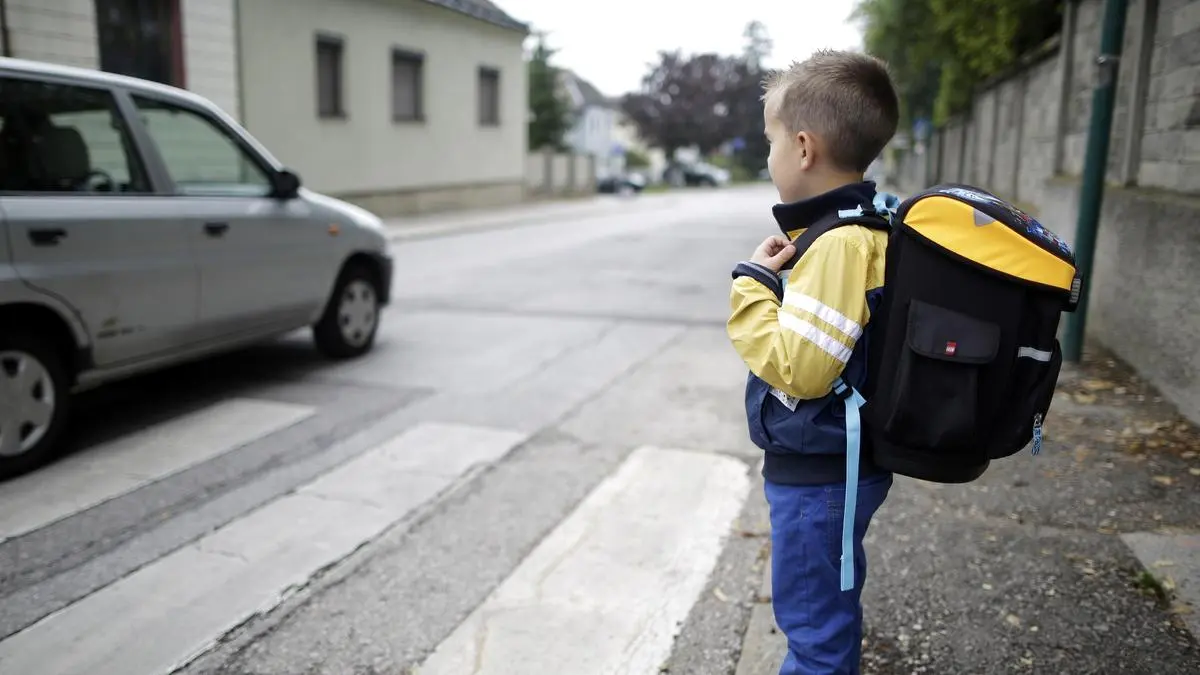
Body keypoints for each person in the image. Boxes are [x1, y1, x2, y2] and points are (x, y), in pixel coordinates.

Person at [726, 49, 900, 675]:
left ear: (803, 148)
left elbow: (801, 371)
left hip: (820, 477)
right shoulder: (859, 229)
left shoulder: (838, 245)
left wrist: (751, 286)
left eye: (770, 140)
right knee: (828, 614)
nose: (768, 156)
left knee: (814, 634)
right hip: (838, 468)